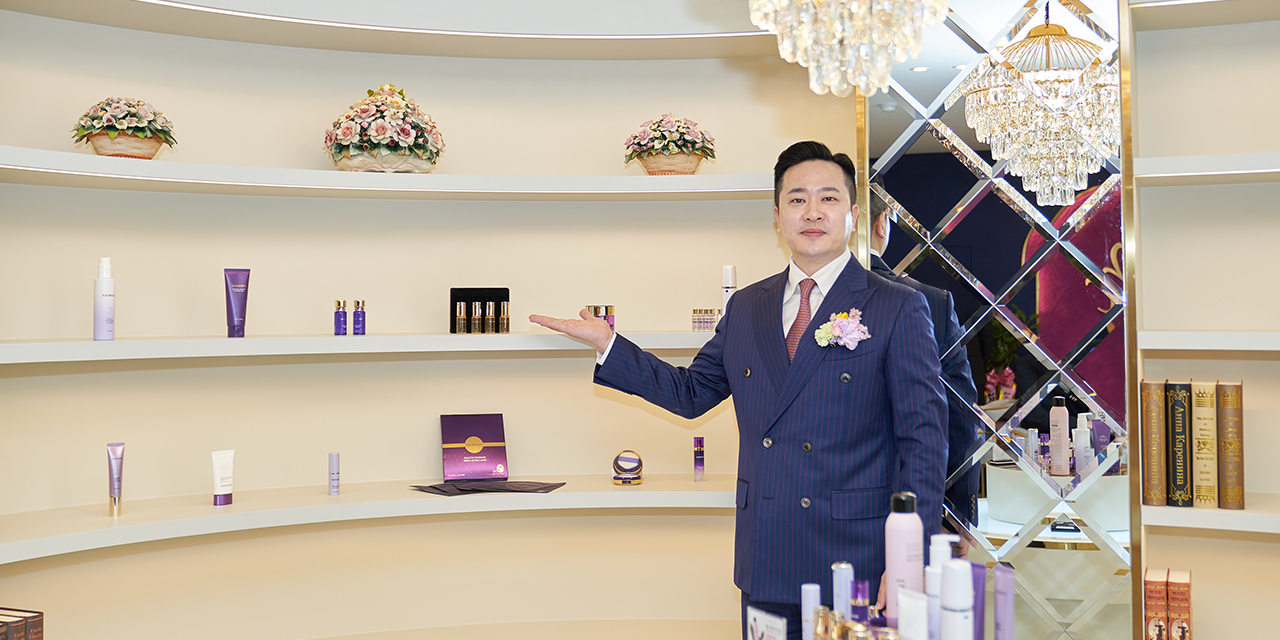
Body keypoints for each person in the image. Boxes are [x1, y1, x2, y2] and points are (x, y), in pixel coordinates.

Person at [531, 141, 947, 639]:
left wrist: (909, 561)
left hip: (857, 559)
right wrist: (610, 345)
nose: (812, 211)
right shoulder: (748, 306)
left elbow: (924, 442)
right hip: (767, 553)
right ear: (777, 216)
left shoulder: (898, 306)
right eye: (797, 199)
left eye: (829, 198)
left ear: (853, 215)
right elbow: (691, 393)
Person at [867, 186, 982, 533]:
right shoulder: (931, 302)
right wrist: (957, 516)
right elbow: (960, 416)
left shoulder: (799, 300)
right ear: (882, 223)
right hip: (911, 506)